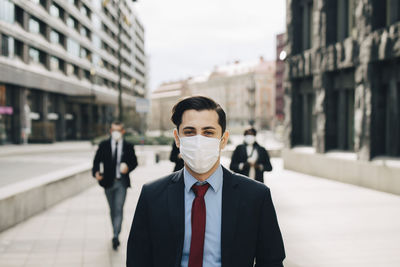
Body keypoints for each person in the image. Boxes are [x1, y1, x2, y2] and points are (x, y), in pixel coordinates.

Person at [127, 96, 285, 267]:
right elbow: (138, 260)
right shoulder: (152, 195)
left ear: (223, 140)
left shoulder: (256, 196)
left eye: (208, 132)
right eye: (189, 132)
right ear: (177, 138)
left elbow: (271, 261)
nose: (199, 141)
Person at [92, 121, 138, 250]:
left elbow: (134, 162)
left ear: (122, 131)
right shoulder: (104, 145)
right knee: (112, 209)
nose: (115, 133)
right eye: (113, 130)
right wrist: (96, 173)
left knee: (118, 209)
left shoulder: (128, 146)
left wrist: (128, 167)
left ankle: (116, 235)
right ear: (110, 131)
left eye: (118, 130)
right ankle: (115, 230)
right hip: (107, 182)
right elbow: (96, 161)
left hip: (121, 183)